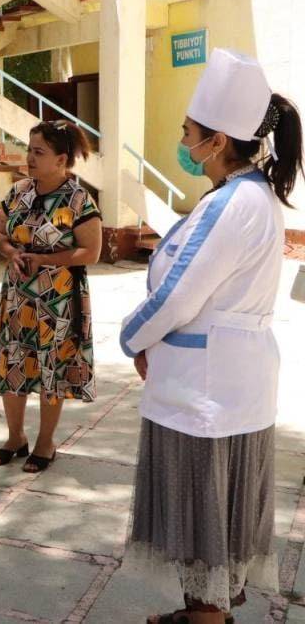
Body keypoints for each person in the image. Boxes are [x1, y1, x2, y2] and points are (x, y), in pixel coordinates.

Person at [120, 49, 302, 623]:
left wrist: (132, 338)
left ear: (217, 141)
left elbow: (177, 295)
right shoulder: (252, 195)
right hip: (228, 382)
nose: (182, 141)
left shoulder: (232, 203)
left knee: (203, 516)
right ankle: (208, 612)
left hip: (205, 391)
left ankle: (206, 617)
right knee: (221, 513)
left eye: (187, 132)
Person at [0, 120, 102, 472]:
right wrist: (12, 252)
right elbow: (0, 234)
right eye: (29, 150)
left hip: (58, 301)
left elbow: (91, 252)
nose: (30, 158)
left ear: (61, 159)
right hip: (17, 297)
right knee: (13, 363)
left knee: (51, 366)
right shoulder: (18, 192)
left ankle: (45, 443)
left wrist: (45, 260)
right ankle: (15, 438)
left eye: (39, 152)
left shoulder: (78, 200)